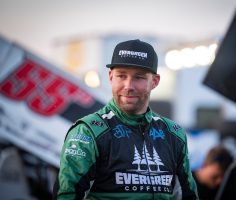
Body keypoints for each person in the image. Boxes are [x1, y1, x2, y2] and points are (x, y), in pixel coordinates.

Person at [53, 39, 199, 199]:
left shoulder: (174, 133)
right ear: (110, 77)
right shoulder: (88, 131)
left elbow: (188, 196)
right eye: (121, 76)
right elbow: (66, 196)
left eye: (139, 77)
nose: (128, 86)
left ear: (155, 82)